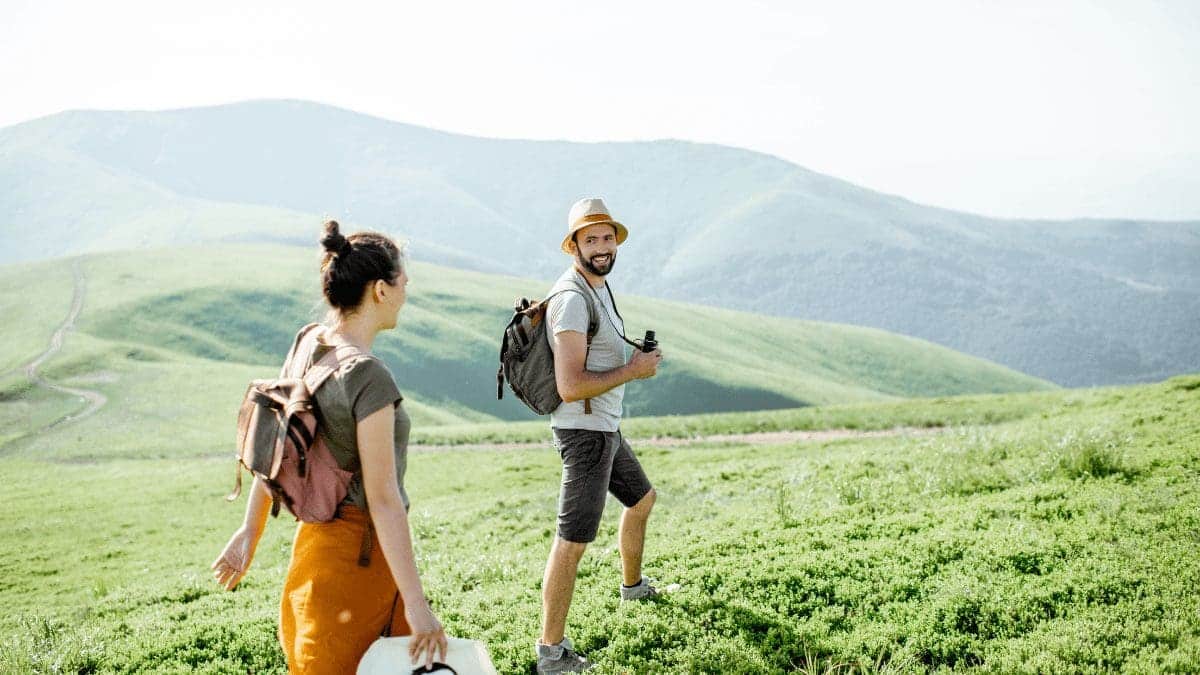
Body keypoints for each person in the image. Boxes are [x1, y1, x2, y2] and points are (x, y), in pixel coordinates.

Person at [211, 221, 447, 673]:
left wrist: (250, 532)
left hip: (316, 550)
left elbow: (277, 448)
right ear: (380, 290)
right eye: (403, 281)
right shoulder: (368, 376)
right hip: (361, 557)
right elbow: (382, 498)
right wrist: (416, 605)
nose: (407, 290)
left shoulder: (308, 342)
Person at [535, 197, 665, 673]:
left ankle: (633, 589)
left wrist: (635, 359)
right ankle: (551, 653)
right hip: (584, 434)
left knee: (642, 499)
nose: (602, 246)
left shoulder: (598, 288)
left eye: (607, 237)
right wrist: (633, 371)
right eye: (591, 239)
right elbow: (570, 386)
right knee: (571, 542)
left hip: (604, 427)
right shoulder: (571, 300)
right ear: (574, 246)